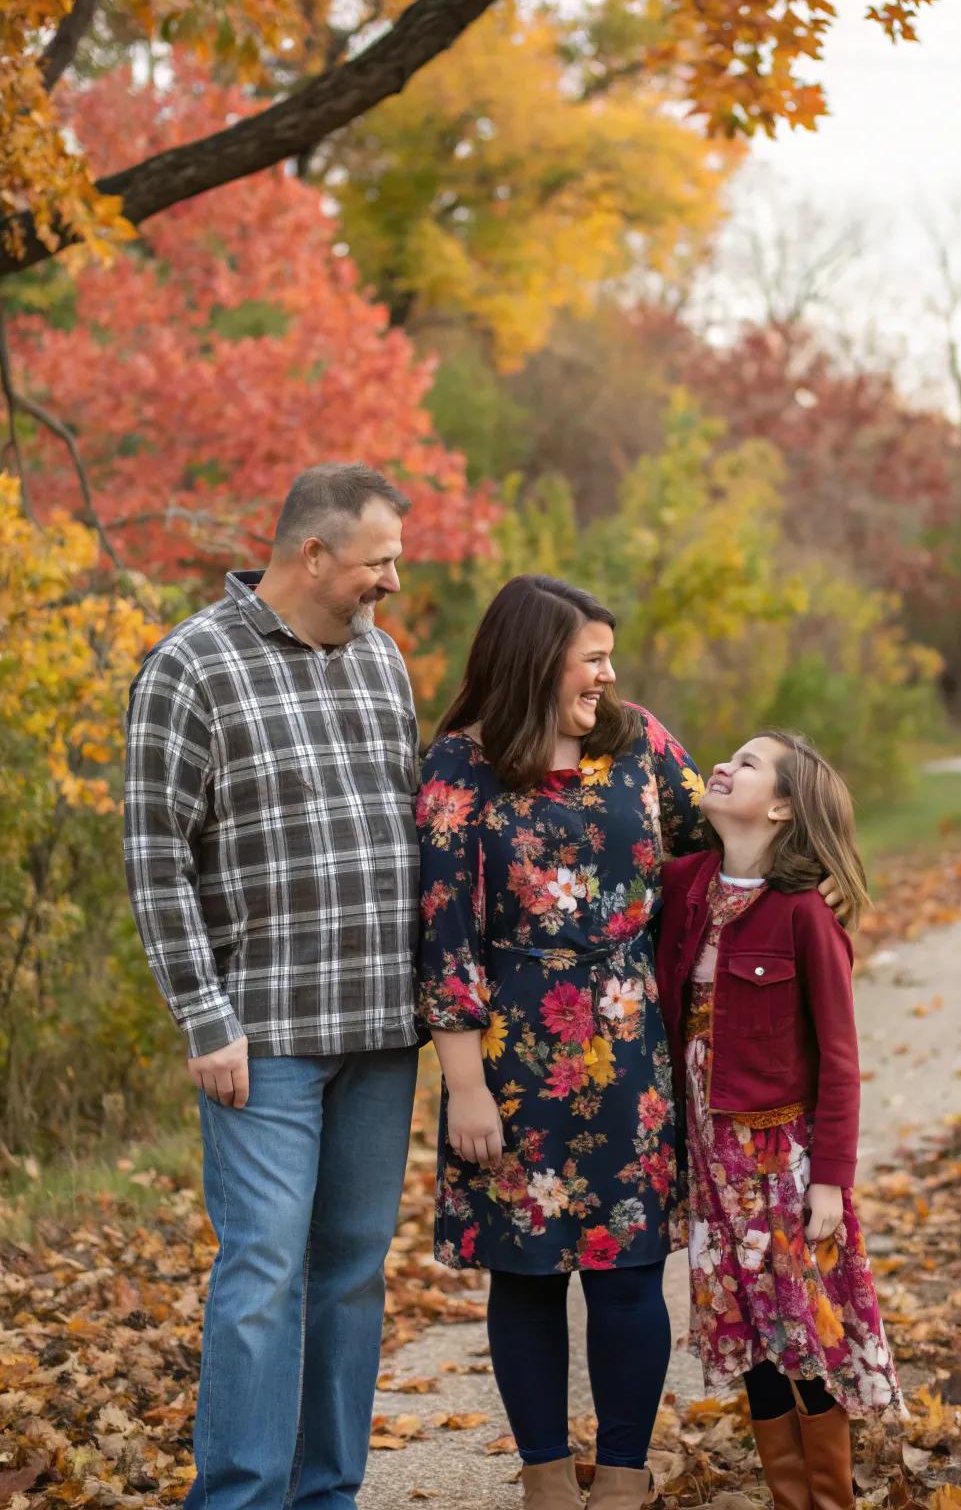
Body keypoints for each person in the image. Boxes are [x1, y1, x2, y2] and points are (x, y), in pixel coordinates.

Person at [123, 462, 421, 1510]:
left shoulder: (383, 662)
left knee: (350, 1273)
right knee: (261, 1280)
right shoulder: (189, 667)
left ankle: (325, 1496)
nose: (392, 580)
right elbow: (155, 859)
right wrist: (204, 1018)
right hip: (265, 1035)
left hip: (384, 1026)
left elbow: (407, 824)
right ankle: (242, 1500)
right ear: (313, 553)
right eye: (379, 560)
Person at [416, 575, 706, 1510]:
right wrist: (464, 1085)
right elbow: (444, 930)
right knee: (527, 1275)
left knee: (629, 1273)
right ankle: (545, 1474)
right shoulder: (460, 767)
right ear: (539, 661)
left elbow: (717, 839)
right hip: (509, 1060)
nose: (608, 674)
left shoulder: (639, 743)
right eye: (592, 658)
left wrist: (806, 881)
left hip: (631, 1052)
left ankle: (623, 1475)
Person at [657, 731, 903, 1510]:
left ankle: (830, 1499)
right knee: (747, 1328)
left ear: (783, 806)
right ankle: (788, 1497)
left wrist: (831, 1180)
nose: (724, 766)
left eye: (750, 763)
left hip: (781, 1161)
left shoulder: (804, 912)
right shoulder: (685, 884)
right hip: (711, 1164)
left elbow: (838, 1058)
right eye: (728, 756)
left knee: (805, 1332)